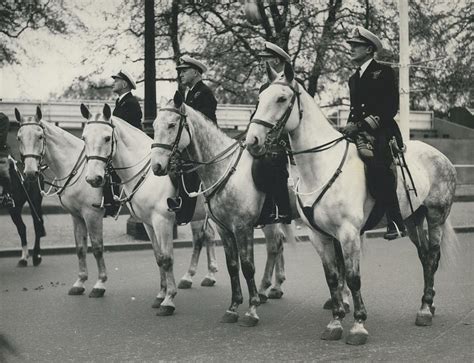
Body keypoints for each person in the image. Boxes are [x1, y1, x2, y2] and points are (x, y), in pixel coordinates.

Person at [342, 26, 406, 240]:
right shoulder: (352, 78)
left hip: (382, 130)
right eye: (351, 45)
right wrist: (349, 127)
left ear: (369, 49)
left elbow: (390, 108)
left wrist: (361, 125)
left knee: (378, 165)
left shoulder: (383, 72)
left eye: (356, 46)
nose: (351, 49)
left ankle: (396, 221)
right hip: (358, 130)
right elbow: (355, 110)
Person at [167, 56, 218, 224]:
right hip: (192, 143)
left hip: (204, 144)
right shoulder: (190, 93)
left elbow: (206, 121)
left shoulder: (204, 92)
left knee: (190, 171)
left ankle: (184, 213)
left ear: (195, 72)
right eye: (180, 72)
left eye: (184, 71)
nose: (180, 75)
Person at [253, 41, 293, 225]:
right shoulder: (264, 88)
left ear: (276, 60)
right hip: (267, 137)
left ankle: (283, 209)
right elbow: (258, 115)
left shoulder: (290, 84)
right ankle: (260, 208)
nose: (263, 63)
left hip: (285, 137)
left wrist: (277, 138)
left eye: (266, 59)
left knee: (273, 159)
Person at [96, 70, 143, 217]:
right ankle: (109, 202)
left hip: (130, 146)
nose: (113, 83)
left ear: (124, 84)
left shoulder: (131, 102)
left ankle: (112, 203)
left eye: (116, 81)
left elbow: (128, 128)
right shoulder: (121, 102)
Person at [0, 113, 14, 208]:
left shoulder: (3, 118)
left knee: (3, 170)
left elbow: (1, 137)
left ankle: (7, 195)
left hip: (1, 151)